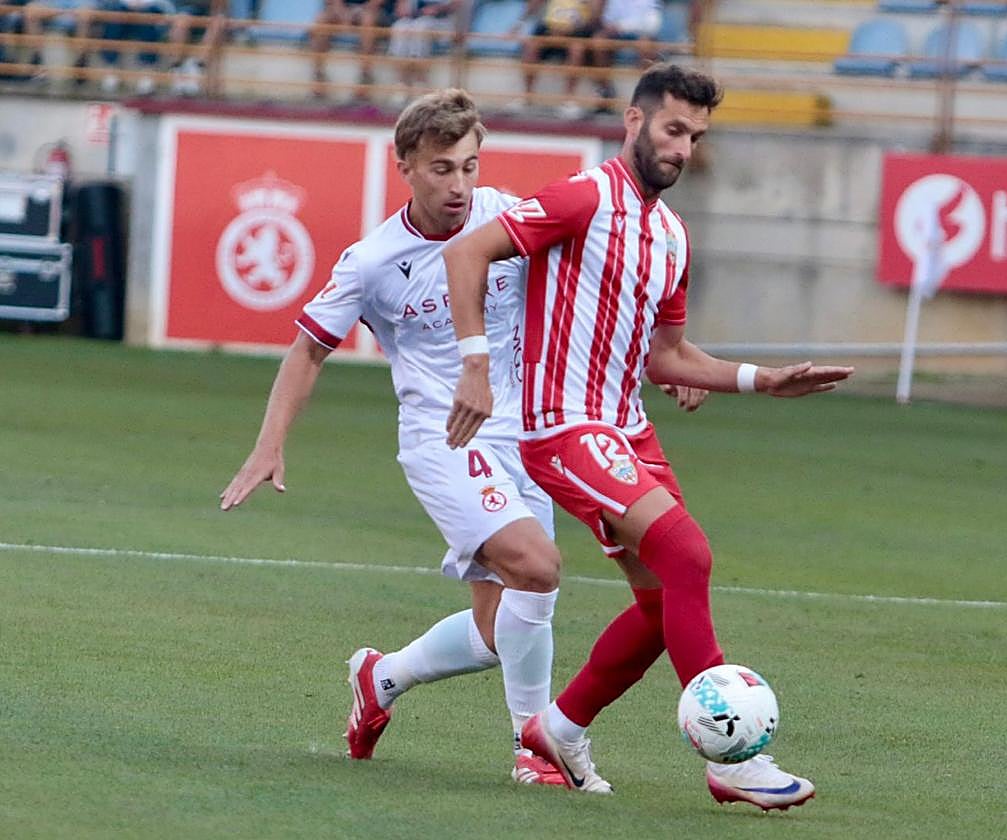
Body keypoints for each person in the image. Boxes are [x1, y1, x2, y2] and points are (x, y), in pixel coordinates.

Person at [442, 63, 854, 808]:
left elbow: (668, 356)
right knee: (687, 553)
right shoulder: (581, 198)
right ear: (634, 122)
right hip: (563, 428)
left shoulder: (671, 236)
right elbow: (466, 252)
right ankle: (732, 761)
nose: (683, 148)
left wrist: (764, 380)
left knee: (665, 607)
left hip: (628, 431)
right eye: (672, 130)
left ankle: (557, 728)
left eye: (696, 137)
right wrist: (476, 366)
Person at [219, 89, 567, 786]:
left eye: (470, 166)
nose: (460, 185)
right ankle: (537, 750)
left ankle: (382, 677)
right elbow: (308, 349)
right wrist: (268, 444)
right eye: (442, 168)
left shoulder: (508, 217)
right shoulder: (374, 260)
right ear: (404, 163)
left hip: (527, 434)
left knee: (504, 631)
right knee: (538, 565)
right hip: (445, 440)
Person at [508, 0, 601, 119]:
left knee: (577, 50)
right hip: (550, 29)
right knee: (531, 46)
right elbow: (535, 4)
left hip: (577, 31)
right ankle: (527, 97)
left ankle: (568, 101)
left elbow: (596, 16)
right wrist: (519, 23)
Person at [590, 0, 662, 108]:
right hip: (616, 33)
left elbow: (652, 24)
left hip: (640, 33)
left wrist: (622, 27)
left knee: (645, 45)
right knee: (599, 42)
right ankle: (606, 90)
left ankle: (648, 92)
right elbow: (608, 19)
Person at [309, 0, 387, 99]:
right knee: (320, 20)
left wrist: (360, 10)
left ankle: (365, 76)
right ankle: (318, 75)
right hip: (341, 9)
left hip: (368, 10)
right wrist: (342, 12)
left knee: (368, 20)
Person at [386, 0, 459, 97]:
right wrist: (403, 7)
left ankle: (420, 82)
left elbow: (458, 4)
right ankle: (401, 83)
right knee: (399, 26)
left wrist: (437, 9)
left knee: (421, 27)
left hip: (442, 21)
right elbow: (402, 6)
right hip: (415, 18)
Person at [164, 1, 227, 96]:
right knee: (181, 21)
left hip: (209, 11)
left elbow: (220, 6)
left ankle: (197, 69)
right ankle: (177, 69)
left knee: (218, 22)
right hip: (185, 8)